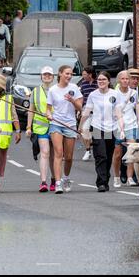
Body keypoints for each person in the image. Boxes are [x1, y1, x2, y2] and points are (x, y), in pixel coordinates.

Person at [79, 71, 125, 192]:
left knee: (108, 155)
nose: (101, 82)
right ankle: (101, 182)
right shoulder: (93, 95)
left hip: (111, 128)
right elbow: (87, 111)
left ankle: (106, 177)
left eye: (104, 80)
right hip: (97, 127)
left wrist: (121, 128)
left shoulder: (115, 94)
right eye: (99, 80)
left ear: (109, 81)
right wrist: (81, 126)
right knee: (101, 155)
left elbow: (119, 114)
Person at [46, 65, 83, 194]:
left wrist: (72, 100)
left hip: (70, 124)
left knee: (68, 157)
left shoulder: (74, 88)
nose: (69, 76)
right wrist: (49, 115)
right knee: (58, 153)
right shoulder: (52, 90)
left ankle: (66, 177)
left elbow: (80, 108)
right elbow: (48, 108)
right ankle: (58, 182)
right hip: (56, 123)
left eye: (70, 74)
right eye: (66, 73)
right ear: (60, 74)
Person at [26, 66, 56, 192]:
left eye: (49, 75)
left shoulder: (57, 90)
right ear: (41, 76)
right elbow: (31, 110)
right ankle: (43, 181)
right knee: (45, 153)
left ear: (53, 77)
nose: (47, 76)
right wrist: (28, 127)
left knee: (55, 155)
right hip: (40, 127)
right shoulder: (35, 91)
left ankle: (55, 179)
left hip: (56, 126)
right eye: (45, 75)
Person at [112, 70, 138, 188]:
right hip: (118, 126)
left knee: (131, 151)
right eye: (123, 79)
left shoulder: (134, 93)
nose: (125, 81)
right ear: (118, 80)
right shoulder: (113, 93)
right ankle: (116, 177)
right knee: (118, 153)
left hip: (131, 124)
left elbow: (137, 108)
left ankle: (129, 177)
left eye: (127, 79)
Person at [79, 66, 98, 161]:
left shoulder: (98, 83)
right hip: (86, 110)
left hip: (98, 112)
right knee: (84, 130)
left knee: (97, 132)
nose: (83, 76)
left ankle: (97, 150)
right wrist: (80, 110)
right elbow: (81, 97)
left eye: (85, 75)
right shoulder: (83, 83)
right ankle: (88, 150)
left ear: (90, 74)